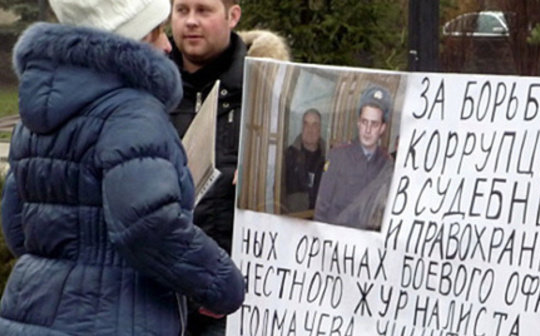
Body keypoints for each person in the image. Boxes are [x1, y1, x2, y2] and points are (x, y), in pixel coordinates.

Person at [0, 0, 244, 335]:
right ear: (135, 37)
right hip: (116, 317)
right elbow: (149, 224)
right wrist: (222, 285)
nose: (167, 44)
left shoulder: (36, 118)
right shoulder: (132, 111)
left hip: (29, 310)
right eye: (157, 30)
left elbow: (16, 223)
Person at [168, 0, 290, 334]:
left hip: (239, 306)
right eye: (182, 11)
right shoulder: (148, 89)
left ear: (232, 16)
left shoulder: (271, 91)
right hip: (156, 301)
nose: (191, 22)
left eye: (203, 11)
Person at [314, 85, 394, 230]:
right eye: (364, 122)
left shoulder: (386, 164)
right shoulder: (338, 156)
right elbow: (321, 209)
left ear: (382, 128)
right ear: (358, 123)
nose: (368, 130)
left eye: (374, 124)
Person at [284, 108, 326, 214]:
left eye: (314, 125)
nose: (310, 129)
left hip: (320, 223)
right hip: (294, 220)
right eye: (306, 124)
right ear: (301, 128)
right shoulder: (288, 156)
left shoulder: (329, 157)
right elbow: (278, 190)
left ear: (320, 129)